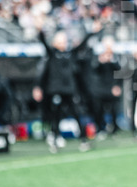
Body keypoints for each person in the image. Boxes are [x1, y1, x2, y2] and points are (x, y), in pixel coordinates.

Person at [36, 23, 98, 153]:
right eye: (61, 41)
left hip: (70, 90)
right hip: (55, 90)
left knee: (76, 113)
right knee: (56, 115)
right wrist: (40, 30)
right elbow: (43, 42)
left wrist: (92, 32)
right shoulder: (52, 54)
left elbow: (82, 45)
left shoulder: (71, 54)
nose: (63, 43)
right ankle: (55, 139)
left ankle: (83, 139)